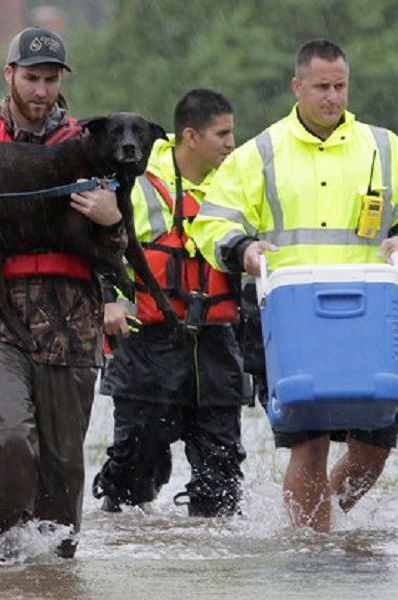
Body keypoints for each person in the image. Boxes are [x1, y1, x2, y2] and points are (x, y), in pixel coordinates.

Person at [189, 39, 398, 532]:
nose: (332, 97)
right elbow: (211, 223)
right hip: (288, 318)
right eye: (322, 86)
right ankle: (314, 546)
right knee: (309, 443)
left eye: (340, 86)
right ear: (297, 86)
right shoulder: (260, 152)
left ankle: (315, 526)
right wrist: (243, 249)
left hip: (365, 314)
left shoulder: (385, 148)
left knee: (373, 449)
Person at [0, 26, 128, 558]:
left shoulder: (94, 148)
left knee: (62, 473)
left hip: (73, 326)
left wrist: (113, 220)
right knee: (9, 441)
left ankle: (53, 577)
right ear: (9, 75)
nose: (41, 91)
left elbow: (120, 250)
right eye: (31, 78)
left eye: (50, 79)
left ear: (62, 80)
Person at [91, 89, 248, 518]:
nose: (232, 144)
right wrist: (108, 300)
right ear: (191, 137)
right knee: (132, 481)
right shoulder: (137, 183)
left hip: (216, 350)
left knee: (220, 485)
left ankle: (209, 555)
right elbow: (98, 250)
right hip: (147, 351)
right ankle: (129, 539)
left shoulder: (239, 185)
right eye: (223, 134)